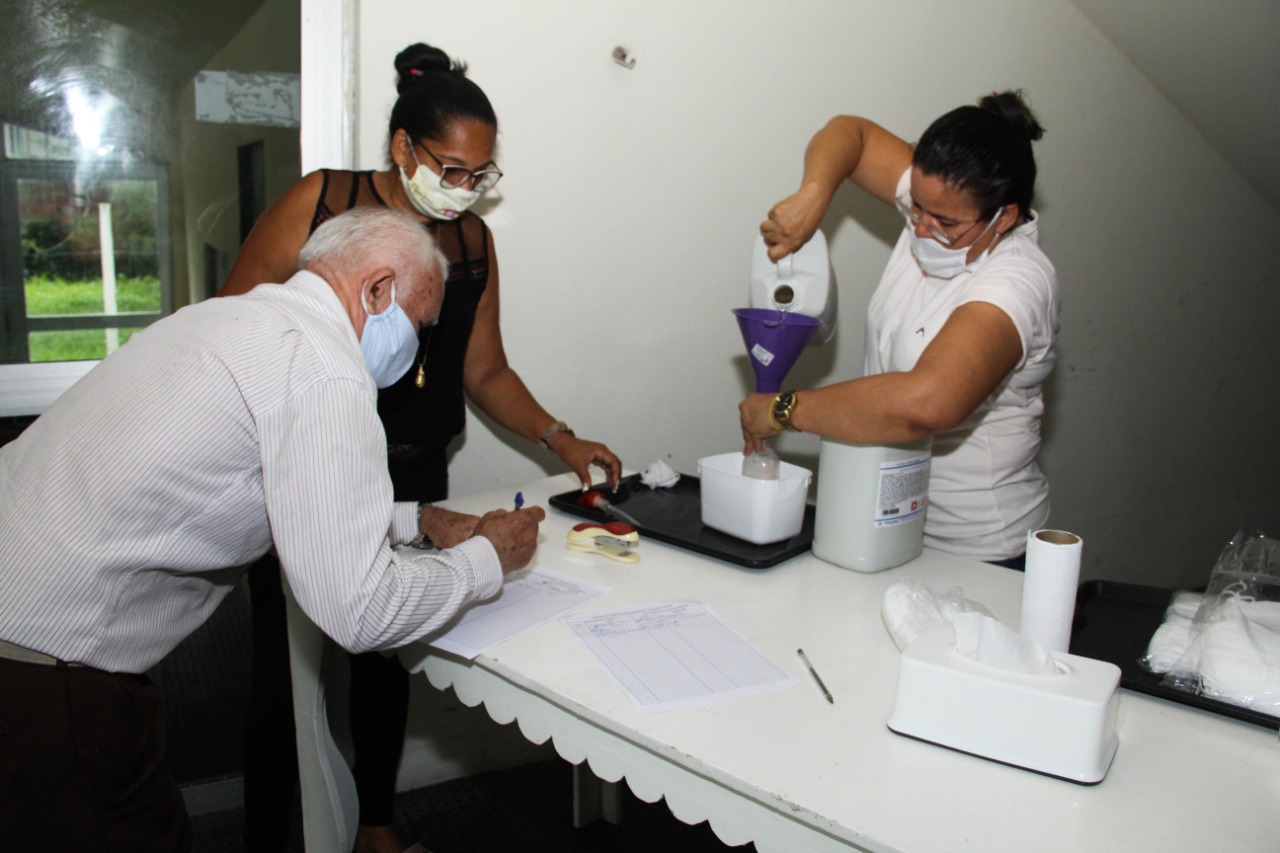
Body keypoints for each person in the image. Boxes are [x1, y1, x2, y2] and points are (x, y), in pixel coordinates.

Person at [0, 206, 546, 851]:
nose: (418, 346)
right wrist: (489, 557)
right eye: (420, 323)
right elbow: (362, 611)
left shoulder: (228, 318)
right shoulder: (325, 370)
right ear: (376, 290)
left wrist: (420, 519)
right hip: (42, 669)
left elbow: (274, 495)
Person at [218, 42, 622, 853]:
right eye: (452, 168)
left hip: (411, 467)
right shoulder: (321, 204)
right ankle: (266, 835)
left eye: (481, 174)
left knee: (383, 654)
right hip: (303, 462)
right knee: (284, 667)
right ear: (403, 148)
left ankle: (377, 824)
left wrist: (559, 435)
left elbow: (486, 370)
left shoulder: (470, 242)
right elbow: (234, 327)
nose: (465, 189)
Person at [740, 91, 1058, 568]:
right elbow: (851, 132)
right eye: (916, 209)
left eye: (944, 222)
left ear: (1004, 217)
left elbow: (928, 401)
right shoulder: (938, 198)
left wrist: (784, 410)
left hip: (975, 547)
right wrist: (814, 194)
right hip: (879, 514)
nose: (922, 229)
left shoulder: (1017, 282)